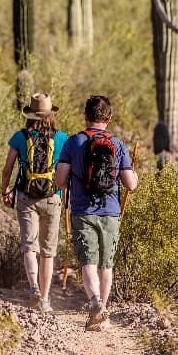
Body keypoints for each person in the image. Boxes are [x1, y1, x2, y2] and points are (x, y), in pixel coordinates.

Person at [55, 95, 138, 330]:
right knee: (106, 264)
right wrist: (136, 177)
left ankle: (95, 304)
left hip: (82, 211)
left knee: (88, 262)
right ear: (109, 118)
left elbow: (60, 181)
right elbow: (130, 184)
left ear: (85, 116)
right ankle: (102, 312)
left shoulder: (72, 143)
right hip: (110, 212)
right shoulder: (119, 145)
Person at [1, 93, 68, 312]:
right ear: (51, 115)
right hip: (52, 197)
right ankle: (46, 300)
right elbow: (67, 170)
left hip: (26, 196)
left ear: (29, 114)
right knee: (48, 251)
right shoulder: (61, 138)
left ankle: (33, 289)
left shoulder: (19, 137)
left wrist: (5, 191)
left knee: (30, 246)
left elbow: (7, 169)